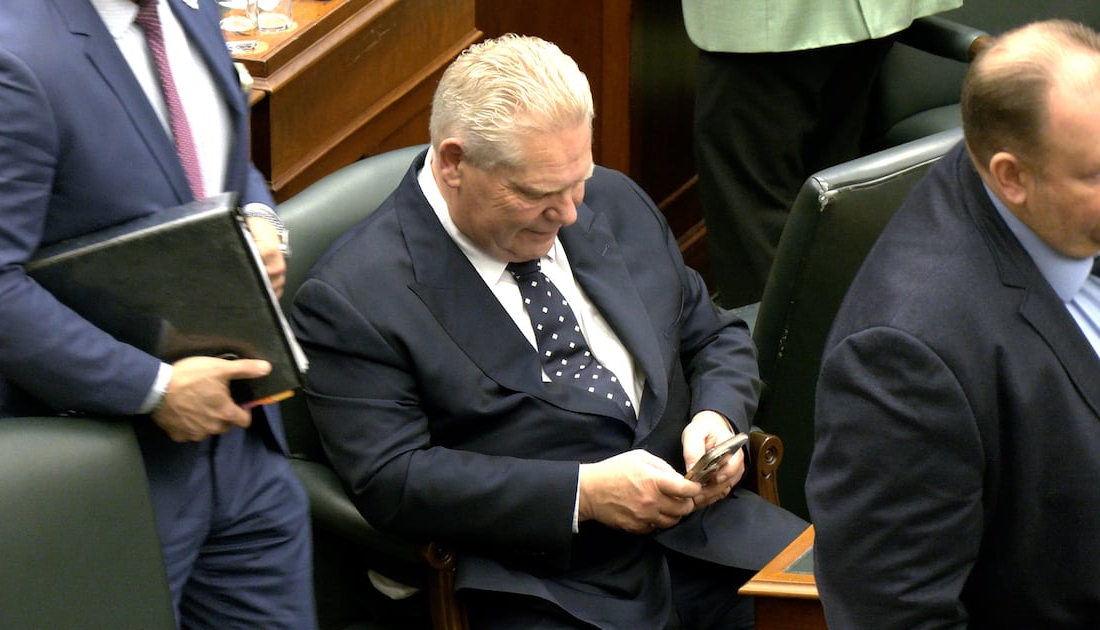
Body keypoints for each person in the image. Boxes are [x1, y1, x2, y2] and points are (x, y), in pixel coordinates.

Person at [290, 34, 807, 629]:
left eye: (576, 180)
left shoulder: (613, 199)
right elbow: (393, 479)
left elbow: (713, 336)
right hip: (550, 584)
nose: (568, 213)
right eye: (537, 194)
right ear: (454, 163)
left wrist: (717, 418)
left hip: (714, 538)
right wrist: (583, 493)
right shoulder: (354, 296)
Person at [0, 0, 316, 627]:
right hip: (106, 470)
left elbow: (214, 156)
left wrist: (261, 217)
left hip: (241, 450)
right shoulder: (10, 61)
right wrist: (152, 388)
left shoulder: (187, 11)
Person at [807, 19, 1100, 627]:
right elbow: (895, 614)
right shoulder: (905, 359)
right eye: (1095, 175)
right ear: (1011, 177)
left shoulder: (1065, 191)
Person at [682, 0, 962, 307]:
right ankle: (840, 327)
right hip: (871, 14)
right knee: (829, 194)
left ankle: (772, 337)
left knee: (752, 207)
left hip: (772, 22)